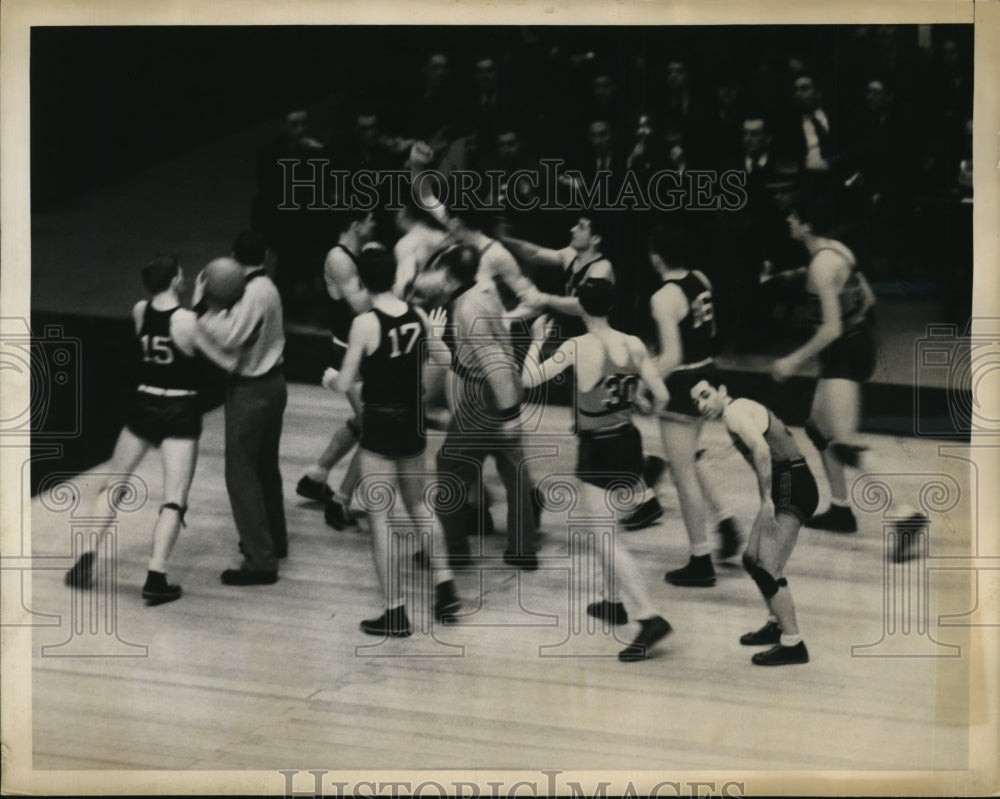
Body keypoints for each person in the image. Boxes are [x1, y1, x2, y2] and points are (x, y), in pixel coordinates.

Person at [522, 279, 672, 662]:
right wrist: (642, 405)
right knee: (608, 527)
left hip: (598, 449)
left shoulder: (576, 346)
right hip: (629, 441)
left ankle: (648, 616)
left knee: (604, 536)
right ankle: (612, 602)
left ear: (581, 307)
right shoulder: (634, 343)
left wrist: (537, 340)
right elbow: (663, 396)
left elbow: (526, 380)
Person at [64, 255, 226, 604]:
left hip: (144, 404)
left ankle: (85, 560)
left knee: (114, 483)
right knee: (174, 498)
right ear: (175, 282)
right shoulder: (188, 320)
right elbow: (222, 359)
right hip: (179, 408)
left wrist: (193, 309)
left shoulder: (140, 311)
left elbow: (168, 327)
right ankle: (156, 575)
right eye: (181, 275)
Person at [322, 245, 461, 636]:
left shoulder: (364, 323)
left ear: (362, 280)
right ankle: (445, 587)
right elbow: (446, 359)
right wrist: (434, 334)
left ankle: (395, 611)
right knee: (420, 506)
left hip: (381, 423)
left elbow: (347, 382)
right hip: (413, 419)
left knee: (381, 517)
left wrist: (330, 379)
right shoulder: (417, 315)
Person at [502, 214, 667, 530]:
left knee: (596, 420)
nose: (572, 230)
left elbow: (581, 305)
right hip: (586, 343)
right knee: (597, 417)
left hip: (595, 341)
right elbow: (534, 253)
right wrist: (502, 239)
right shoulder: (569, 255)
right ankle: (644, 472)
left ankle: (642, 485)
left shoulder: (602, 268)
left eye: (581, 227)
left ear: (595, 238)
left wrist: (544, 300)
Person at [690, 375, 817, 666]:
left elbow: (761, 450)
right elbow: (761, 442)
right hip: (793, 481)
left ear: (722, 390)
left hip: (792, 485)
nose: (702, 405)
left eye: (705, 395)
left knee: (768, 567)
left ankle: (793, 642)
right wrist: (720, 455)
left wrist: (766, 501)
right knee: (751, 559)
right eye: (696, 402)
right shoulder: (737, 411)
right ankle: (775, 622)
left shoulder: (734, 413)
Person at [771, 199, 877, 534]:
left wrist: (792, 360)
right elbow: (869, 299)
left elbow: (830, 328)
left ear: (805, 224)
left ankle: (907, 514)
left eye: (793, 215)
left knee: (844, 443)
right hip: (852, 344)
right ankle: (840, 510)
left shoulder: (820, 266)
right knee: (818, 427)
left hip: (844, 350)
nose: (789, 221)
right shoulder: (838, 250)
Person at [433, 244, 540, 570]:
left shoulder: (467, 308)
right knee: (513, 470)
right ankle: (522, 549)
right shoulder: (486, 292)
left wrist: (508, 415)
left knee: (449, 468)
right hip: (502, 387)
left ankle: (454, 553)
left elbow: (491, 362)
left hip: (484, 396)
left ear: (449, 274)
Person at [648, 225, 742, 587]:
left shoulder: (663, 297)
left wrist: (643, 379)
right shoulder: (700, 279)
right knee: (691, 458)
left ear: (656, 257)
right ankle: (726, 520)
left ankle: (700, 559)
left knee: (681, 472)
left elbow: (672, 355)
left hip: (682, 384)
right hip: (708, 376)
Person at [195, 232, 288, 585]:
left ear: (233, 257)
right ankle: (273, 542)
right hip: (274, 383)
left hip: (252, 390)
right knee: (265, 469)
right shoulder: (267, 286)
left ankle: (261, 561)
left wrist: (204, 308)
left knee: (241, 474)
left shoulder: (253, 292)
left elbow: (230, 336)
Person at [296, 211, 377, 530]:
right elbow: (362, 305)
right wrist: (390, 273)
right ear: (356, 225)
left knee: (362, 423)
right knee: (375, 431)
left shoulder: (356, 254)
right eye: (371, 220)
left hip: (361, 352)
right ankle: (339, 503)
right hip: (349, 355)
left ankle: (316, 476)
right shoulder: (339, 258)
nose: (375, 225)